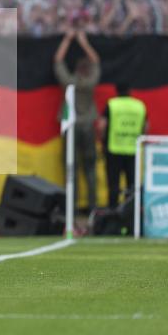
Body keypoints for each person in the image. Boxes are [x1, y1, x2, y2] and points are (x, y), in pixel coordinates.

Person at [54, 29, 101, 212]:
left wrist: (67, 40)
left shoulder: (69, 82)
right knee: (90, 168)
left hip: (71, 126)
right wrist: (84, 42)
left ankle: (70, 207)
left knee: (71, 167)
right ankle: (92, 208)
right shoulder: (90, 83)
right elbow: (96, 61)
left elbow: (58, 61)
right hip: (87, 125)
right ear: (87, 70)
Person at [98, 83, 147, 209]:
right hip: (133, 149)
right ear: (130, 91)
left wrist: (103, 142)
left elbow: (102, 126)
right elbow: (146, 127)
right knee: (132, 184)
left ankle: (113, 212)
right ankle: (130, 212)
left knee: (113, 184)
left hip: (114, 149)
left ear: (117, 91)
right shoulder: (139, 106)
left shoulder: (112, 104)